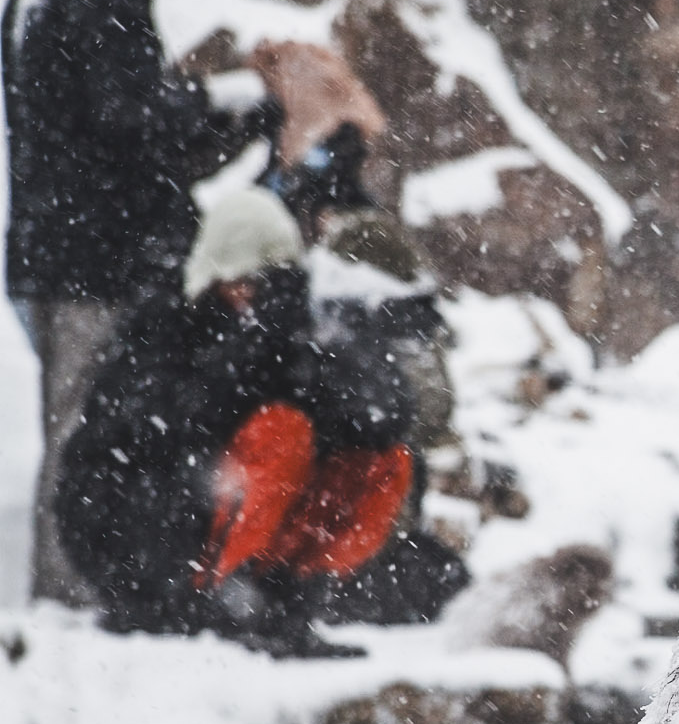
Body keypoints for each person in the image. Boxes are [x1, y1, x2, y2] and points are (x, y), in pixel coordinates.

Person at [4, 0, 279, 604]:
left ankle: (89, 586)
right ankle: (69, 597)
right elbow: (133, 120)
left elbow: (114, 132)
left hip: (62, 249)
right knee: (85, 432)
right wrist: (235, 100)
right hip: (89, 259)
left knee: (93, 425)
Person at [57, 189, 417, 657]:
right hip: (134, 533)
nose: (250, 298)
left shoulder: (295, 329)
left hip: (212, 519)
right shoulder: (163, 324)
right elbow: (171, 427)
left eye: (267, 284)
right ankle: (210, 601)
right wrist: (255, 351)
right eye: (241, 282)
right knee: (280, 432)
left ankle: (281, 606)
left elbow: (385, 417)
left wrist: (341, 358)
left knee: (379, 462)